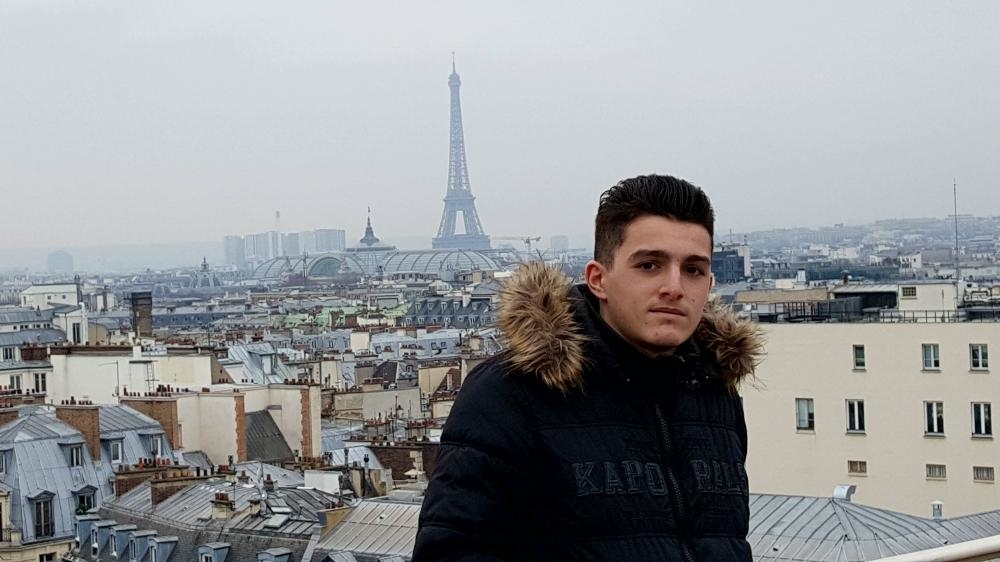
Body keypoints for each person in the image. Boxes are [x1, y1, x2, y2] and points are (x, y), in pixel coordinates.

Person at [414, 174, 763, 561]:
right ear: (598, 280)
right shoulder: (510, 393)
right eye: (649, 265)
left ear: (710, 283)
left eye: (693, 270)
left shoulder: (717, 395)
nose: (674, 287)